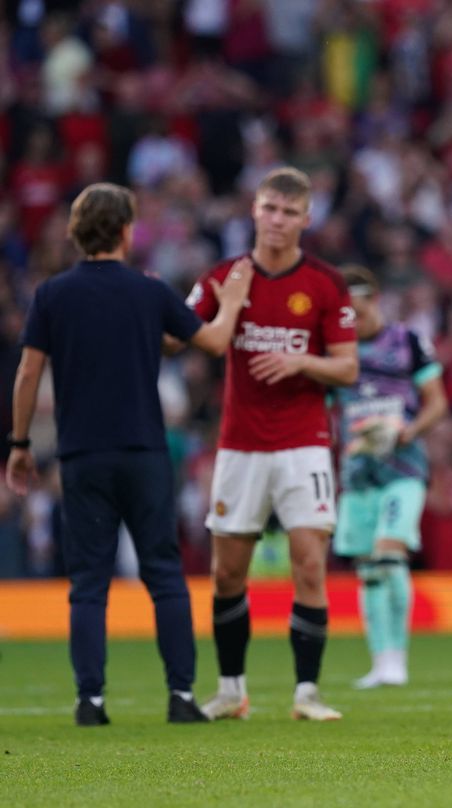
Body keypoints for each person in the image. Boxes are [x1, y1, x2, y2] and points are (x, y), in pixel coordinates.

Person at [5, 183, 251, 725]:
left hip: (82, 455)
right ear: (125, 231)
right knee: (163, 574)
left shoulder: (52, 295)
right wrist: (230, 302)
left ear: (75, 233)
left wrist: (20, 444)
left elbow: (28, 372)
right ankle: (181, 696)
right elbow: (210, 342)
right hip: (143, 451)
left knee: (88, 583)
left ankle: (90, 701)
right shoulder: (149, 291)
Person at [187, 167, 359, 721]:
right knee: (226, 573)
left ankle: (306, 693)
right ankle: (231, 690)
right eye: (269, 209)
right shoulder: (222, 277)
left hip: (303, 444)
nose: (278, 220)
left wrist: (300, 360)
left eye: (289, 212)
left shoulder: (326, 284)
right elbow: (178, 336)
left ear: (307, 219)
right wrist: (230, 304)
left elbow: (349, 368)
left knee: (309, 563)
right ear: (253, 212)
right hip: (239, 445)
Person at [333, 265, 447, 688]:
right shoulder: (335, 352)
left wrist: (408, 431)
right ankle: (379, 660)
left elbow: (437, 403)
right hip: (358, 472)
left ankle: (397, 658)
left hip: (404, 467)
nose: (352, 321)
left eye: (357, 311)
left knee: (389, 553)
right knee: (367, 567)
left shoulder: (408, 341)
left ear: (373, 299)